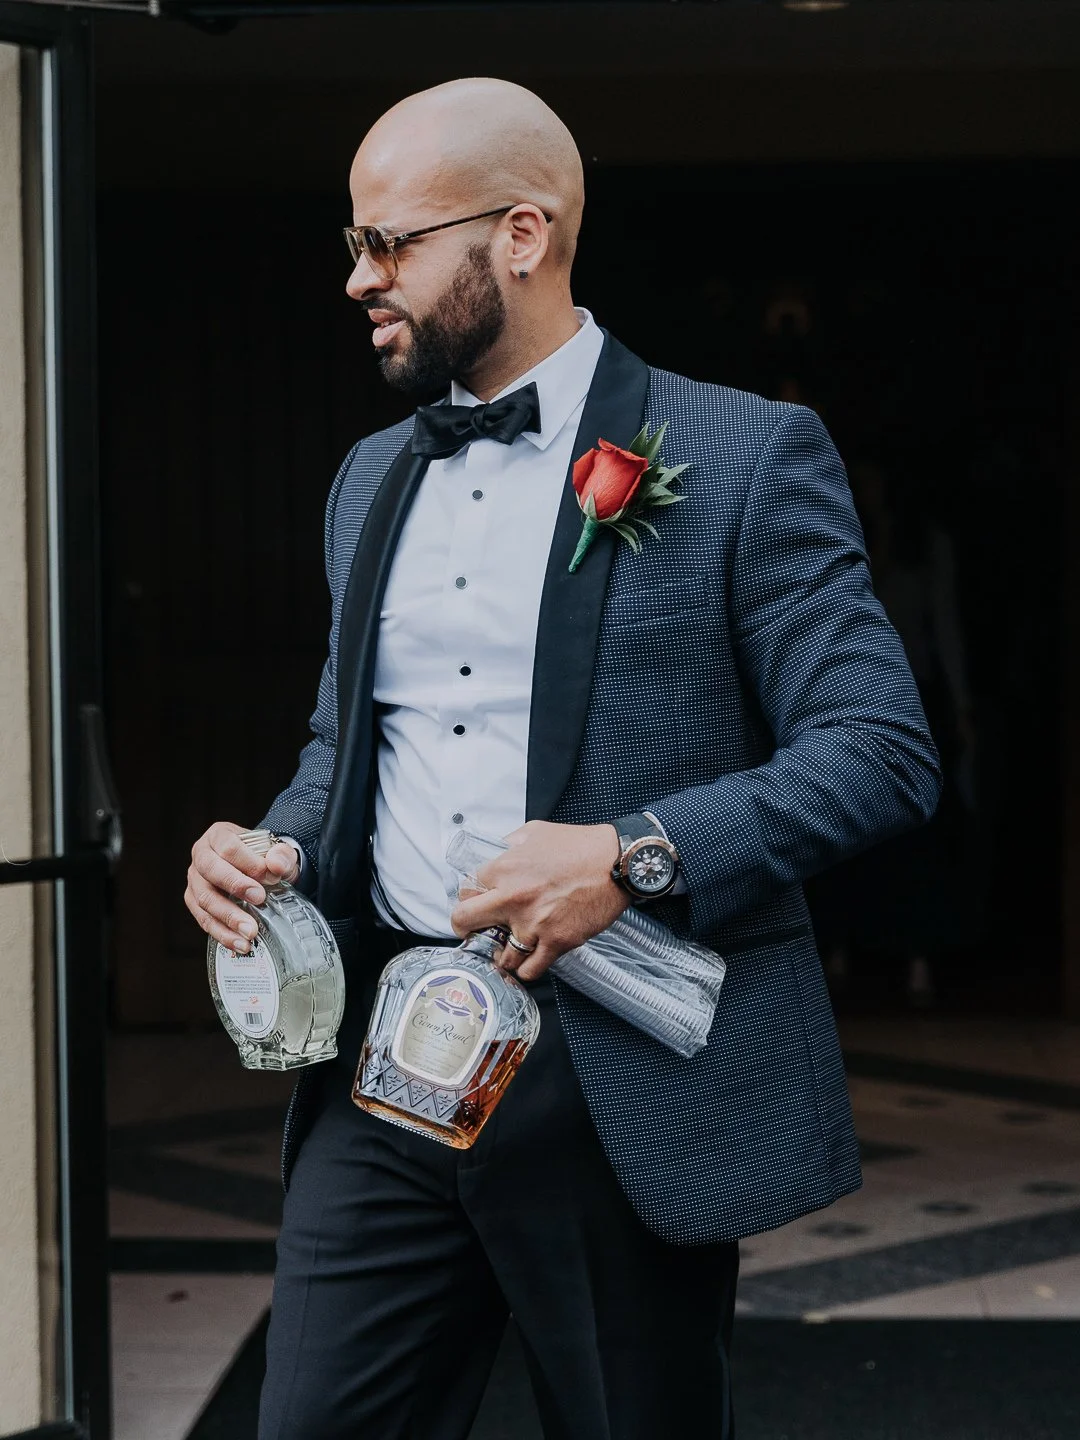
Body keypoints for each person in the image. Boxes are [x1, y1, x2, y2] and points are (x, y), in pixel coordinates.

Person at [183, 78, 941, 1440]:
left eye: (390, 243)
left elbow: (878, 752)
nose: (360, 279)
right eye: (354, 244)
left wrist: (631, 855)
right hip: (389, 1063)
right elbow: (343, 747)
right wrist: (280, 847)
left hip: (617, 1086)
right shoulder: (368, 478)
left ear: (521, 235)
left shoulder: (742, 456)